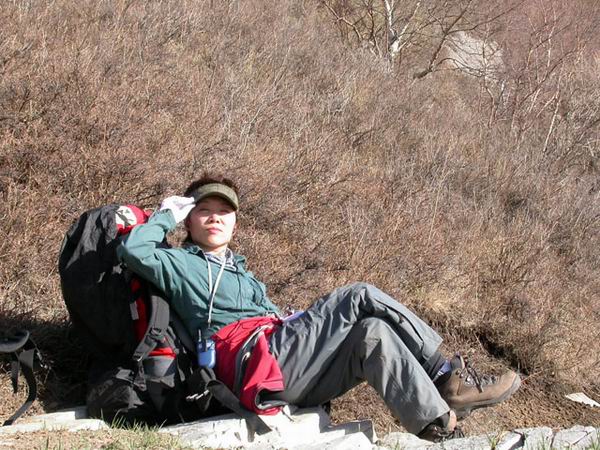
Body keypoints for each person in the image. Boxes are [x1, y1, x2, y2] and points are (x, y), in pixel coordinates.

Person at [117, 173, 521, 442]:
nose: (215, 218)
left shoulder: (244, 274)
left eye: (224, 212)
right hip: (252, 364)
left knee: (372, 335)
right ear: (189, 222)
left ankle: (440, 427)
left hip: (283, 366)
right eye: (203, 211)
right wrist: (166, 214)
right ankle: (446, 376)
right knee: (358, 295)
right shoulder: (180, 264)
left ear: (235, 223)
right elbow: (134, 249)